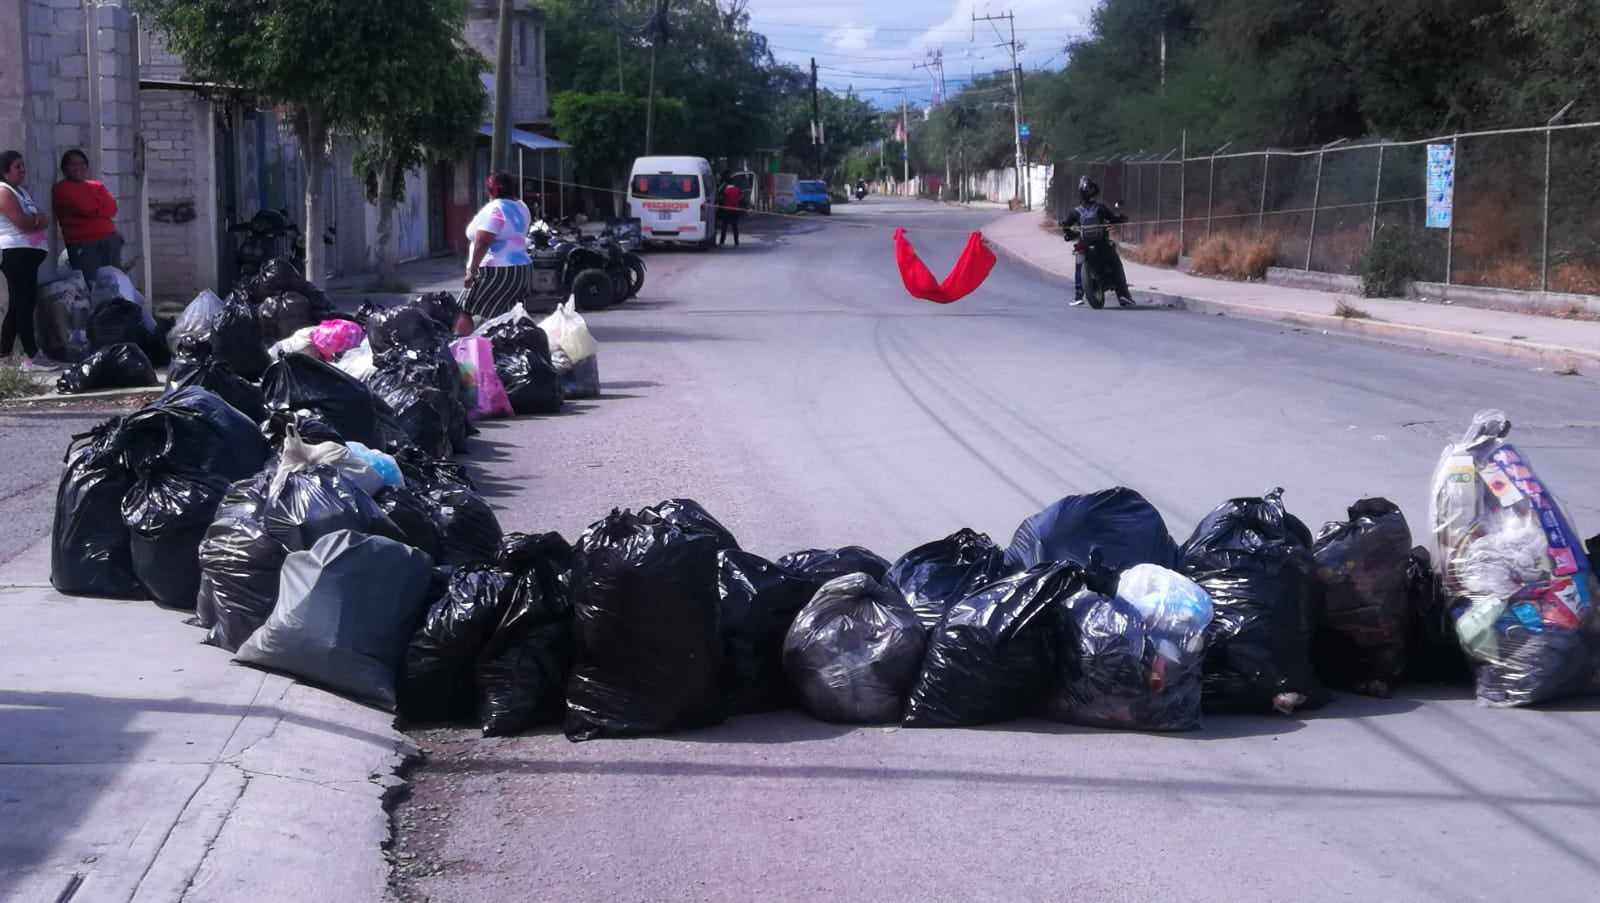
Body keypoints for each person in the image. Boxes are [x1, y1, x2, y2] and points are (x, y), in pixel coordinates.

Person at [0, 150, 55, 369]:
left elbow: (43, 218)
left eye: (23, 166)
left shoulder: (20, 191)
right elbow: (23, 222)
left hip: (28, 255)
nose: (23, 171)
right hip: (15, 254)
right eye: (17, 167)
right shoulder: (3, 191)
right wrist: (38, 220)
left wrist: (38, 220)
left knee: (18, 304)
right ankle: (31, 356)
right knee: (24, 304)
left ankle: (3, 353)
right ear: (5, 171)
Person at [460, 172, 532, 323]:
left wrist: (472, 271)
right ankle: (506, 344)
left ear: (491, 190)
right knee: (508, 316)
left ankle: (461, 345)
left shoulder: (496, 210)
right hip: (522, 270)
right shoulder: (522, 207)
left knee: (464, 310)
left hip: (496, 271)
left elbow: (483, 241)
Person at [1060, 176, 1134, 307]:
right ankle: (1123, 295)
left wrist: (1069, 234)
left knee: (1079, 263)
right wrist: (1122, 218)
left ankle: (1078, 296)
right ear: (1094, 192)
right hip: (1101, 243)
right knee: (1116, 263)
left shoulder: (1075, 211)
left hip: (1084, 244)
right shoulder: (1100, 208)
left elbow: (1065, 225)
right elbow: (1113, 219)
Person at [52, 149, 122, 275]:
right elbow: (84, 208)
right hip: (83, 245)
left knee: (114, 283)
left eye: (82, 163)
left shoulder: (97, 185)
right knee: (91, 284)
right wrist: (99, 208)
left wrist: (95, 209)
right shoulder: (61, 188)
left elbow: (112, 208)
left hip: (109, 240)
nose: (79, 167)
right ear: (64, 168)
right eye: (73, 164)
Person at [717, 173, 742, 248]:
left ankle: (722, 242)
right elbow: (741, 198)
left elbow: (721, 196)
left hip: (726, 211)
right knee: (735, 227)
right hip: (735, 211)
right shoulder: (737, 190)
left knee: (724, 227)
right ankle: (736, 242)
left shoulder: (726, 191)